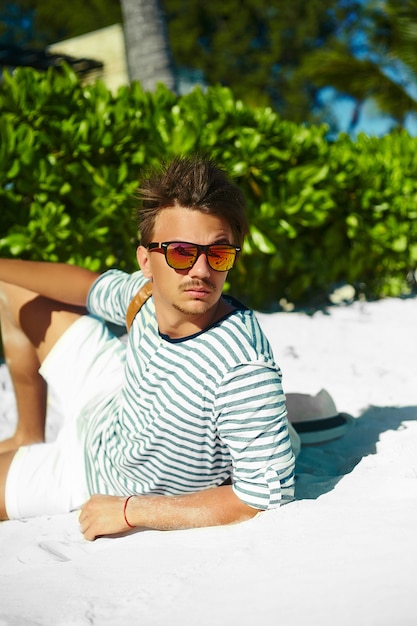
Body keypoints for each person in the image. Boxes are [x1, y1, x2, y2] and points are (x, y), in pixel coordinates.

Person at [0, 155, 295, 540]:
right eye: (181, 253)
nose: (201, 271)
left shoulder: (242, 368)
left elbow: (264, 498)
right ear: (146, 261)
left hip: (94, 474)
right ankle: (27, 433)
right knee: (13, 287)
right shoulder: (145, 296)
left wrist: (130, 510)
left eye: (218, 254)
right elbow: (89, 287)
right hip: (109, 398)